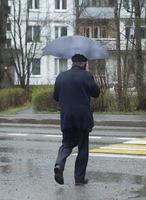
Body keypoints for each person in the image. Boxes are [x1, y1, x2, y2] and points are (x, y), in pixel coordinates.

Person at [53, 54, 100, 186]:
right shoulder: (86, 76)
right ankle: (79, 180)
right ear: (84, 63)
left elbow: (56, 97)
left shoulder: (61, 76)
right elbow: (96, 93)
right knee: (82, 148)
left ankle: (59, 163)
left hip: (66, 118)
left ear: (72, 63)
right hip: (82, 118)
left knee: (67, 144)